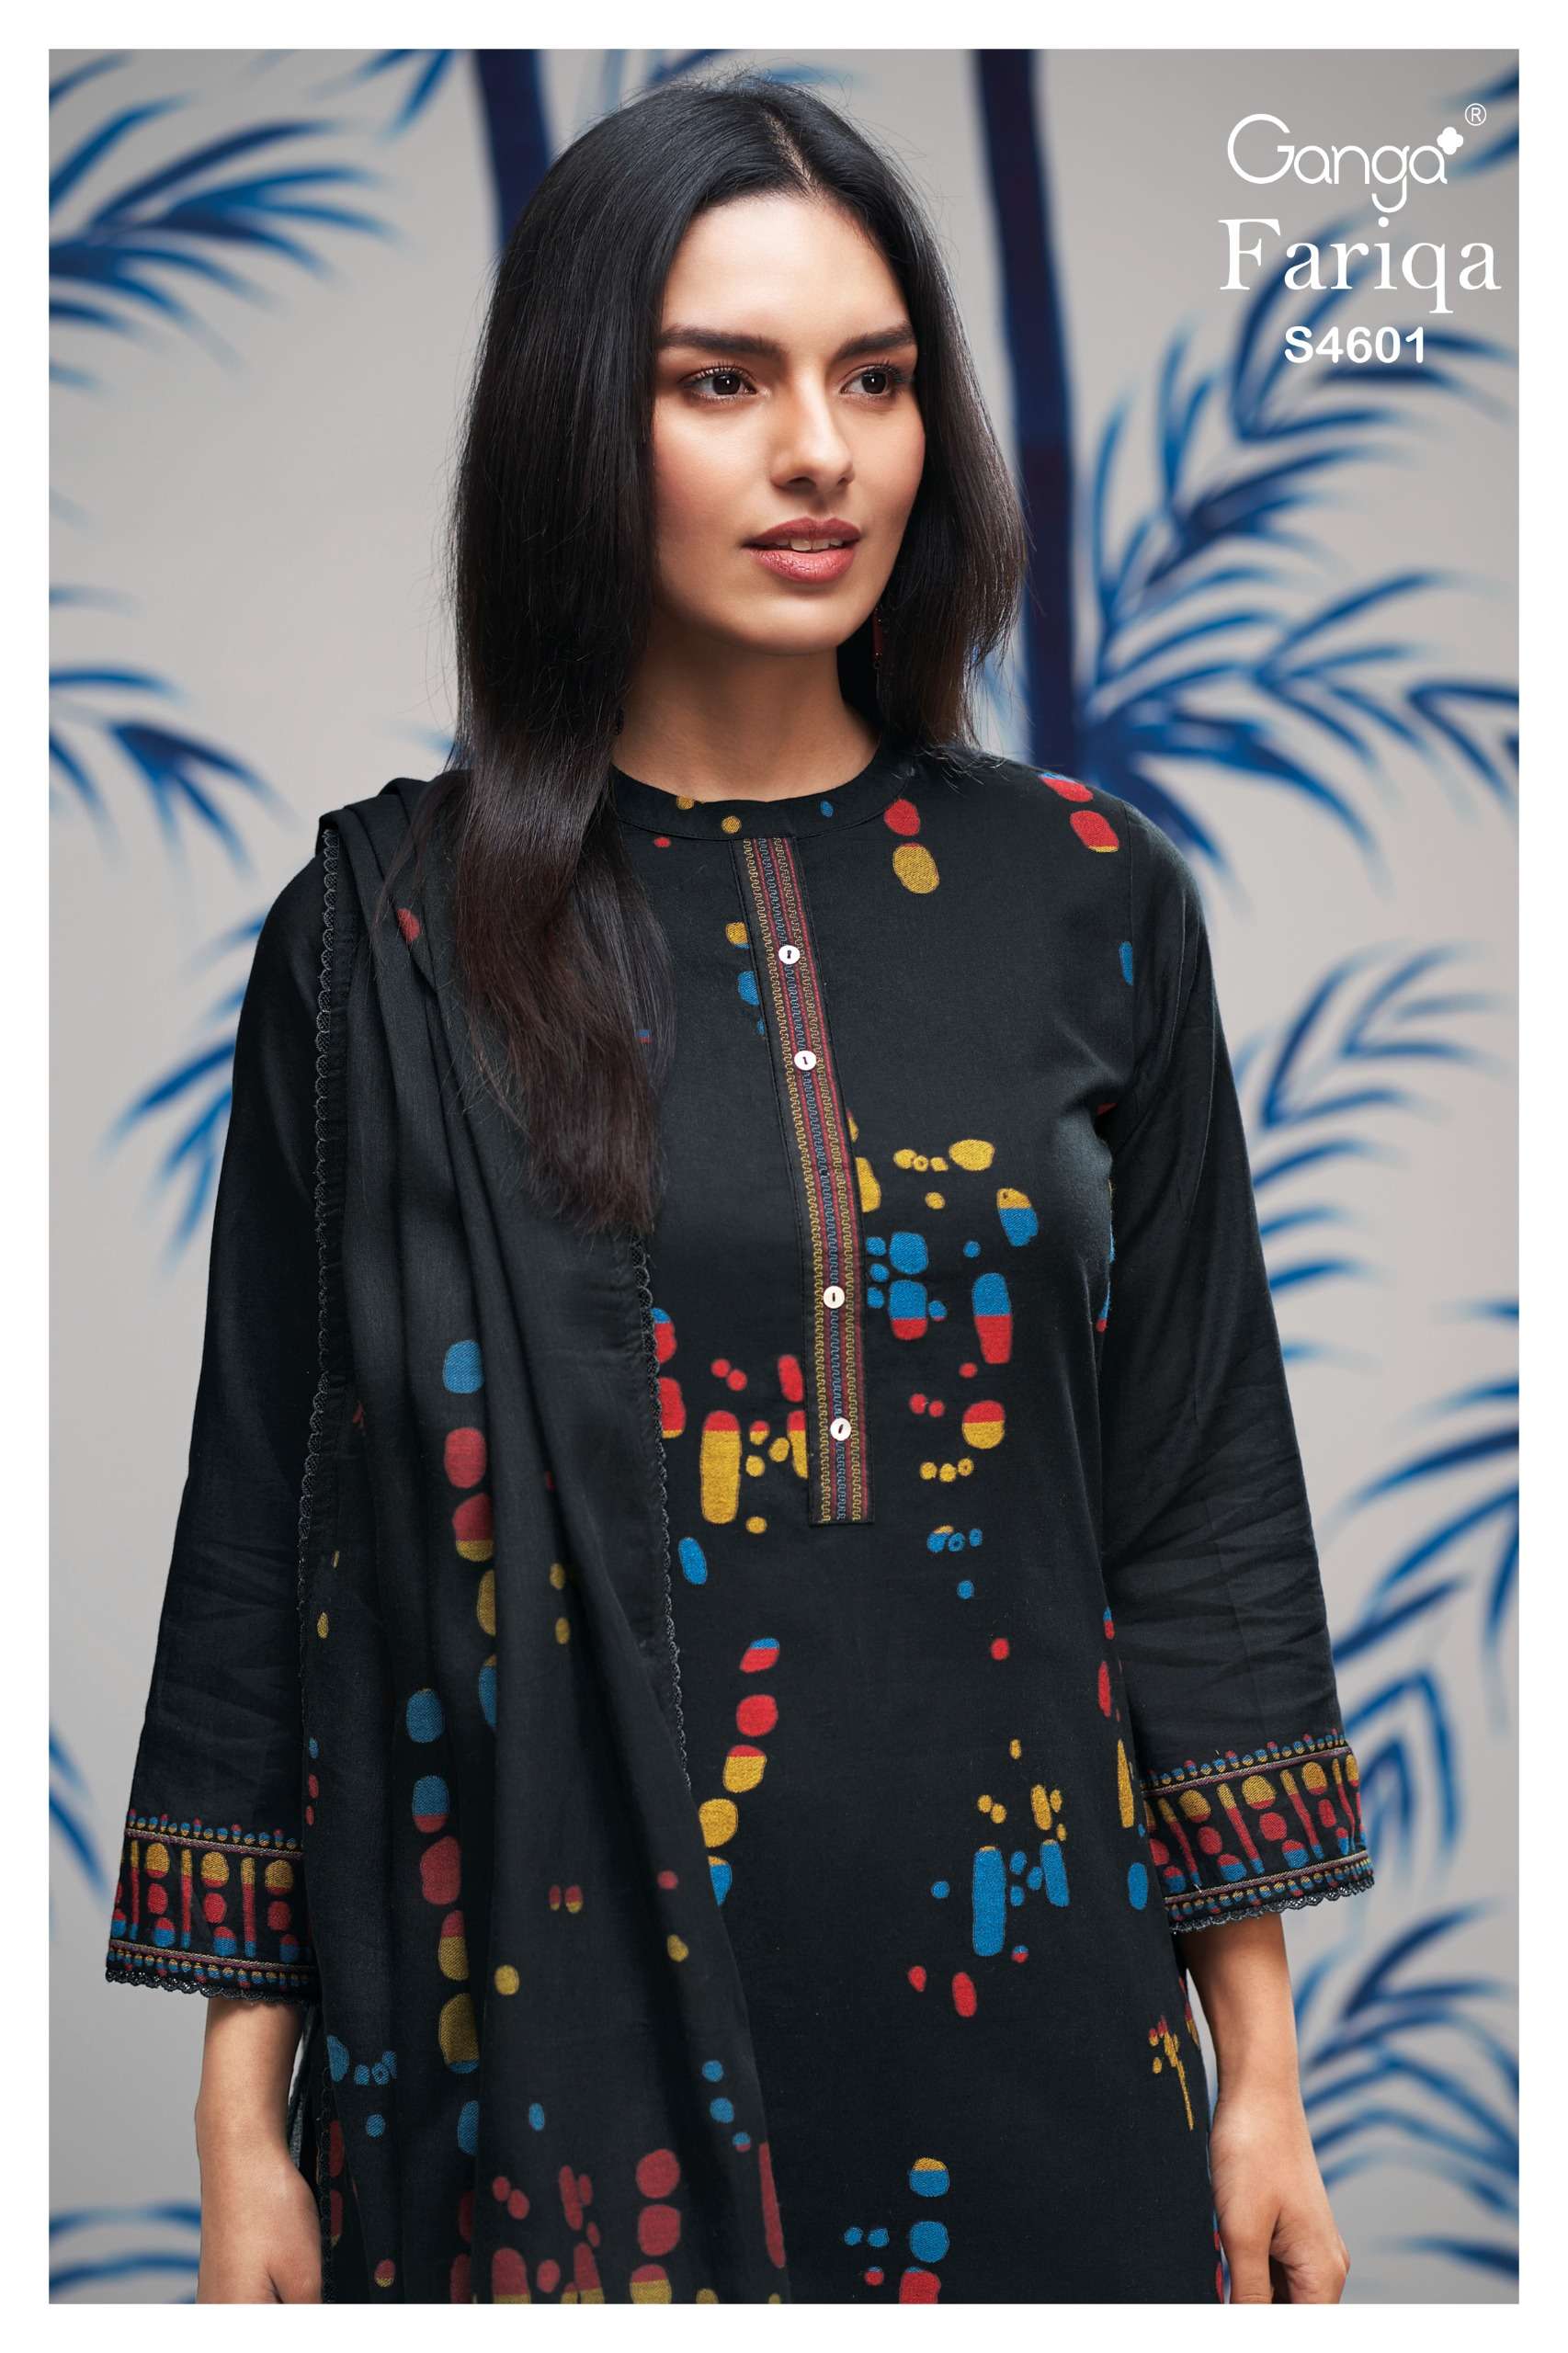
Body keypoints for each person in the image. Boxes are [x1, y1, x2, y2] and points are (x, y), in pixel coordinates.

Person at [104, 69, 1373, 2305]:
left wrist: (1257, 2072)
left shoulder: (1088, 898)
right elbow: (265, 1535)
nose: (822, 453)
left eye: (874, 379)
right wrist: (241, 2118)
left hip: (1042, 2050)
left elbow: (1196, 1504)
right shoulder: (388, 936)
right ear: (580, 428)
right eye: (724, 382)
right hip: (523, 2091)